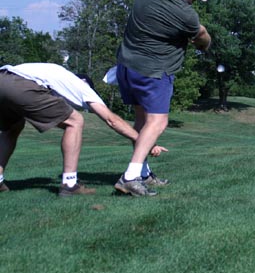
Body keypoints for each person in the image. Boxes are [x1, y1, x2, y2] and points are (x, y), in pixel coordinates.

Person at [114, 0, 212, 196]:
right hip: (154, 71)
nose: (195, 2)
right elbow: (202, 38)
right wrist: (205, 39)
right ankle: (130, 177)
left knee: (142, 122)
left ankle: (143, 173)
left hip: (126, 65)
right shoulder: (186, 15)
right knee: (158, 122)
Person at [0, 63, 166, 196]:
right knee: (75, 121)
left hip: (3, 78)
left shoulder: (57, 76)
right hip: (20, 85)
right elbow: (112, 120)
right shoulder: (82, 87)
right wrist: (145, 143)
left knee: (12, 129)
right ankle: (70, 184)